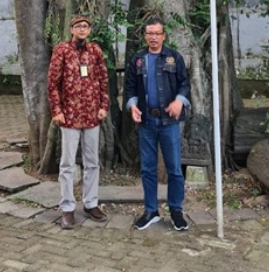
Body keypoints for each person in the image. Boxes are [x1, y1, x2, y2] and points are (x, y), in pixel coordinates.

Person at [124, 16, 191, 232]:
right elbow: (130, 88)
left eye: (157, 33)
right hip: (147, 121)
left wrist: (179, 101)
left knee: (174, 169)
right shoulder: (137, 59)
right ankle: (151, 210)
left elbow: (185, 84)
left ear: (164, 35)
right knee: (148, 169)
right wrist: (132, 106)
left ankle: (176, 211)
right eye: (149, 33)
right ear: (145, 36)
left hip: (169, 121)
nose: (153, 37)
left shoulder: (174, 58)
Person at [47, 15, 110, 229]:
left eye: (86, 26)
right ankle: (67, 207)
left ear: (89, 30)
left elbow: (103, 80)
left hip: (92, 115)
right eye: (78, 26)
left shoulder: (95, 51)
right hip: (70, 116)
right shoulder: (62, 50)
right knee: (67, 164)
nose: (82, 29)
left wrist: (104, 106)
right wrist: (57, 110)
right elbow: (53, 84)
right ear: (71, 29)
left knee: (92, 162)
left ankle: (91, 203)